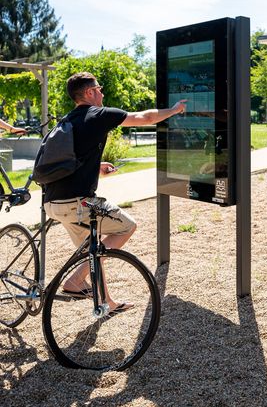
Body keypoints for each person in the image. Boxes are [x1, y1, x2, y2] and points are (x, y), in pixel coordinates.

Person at [43, 72, 186, 312]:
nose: (102, 93)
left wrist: (95, 168)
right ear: (89, 93)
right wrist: (173, 110)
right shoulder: (99, 114)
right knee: (126, 226)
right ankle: (75, 280)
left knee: (93, 252)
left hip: (53, 203)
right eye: (98, 89)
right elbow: (144, 117)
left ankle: (106, 302)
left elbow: (67, 160)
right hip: (81, 203)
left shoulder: (67, 121)